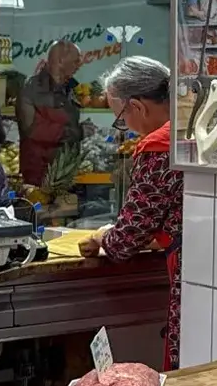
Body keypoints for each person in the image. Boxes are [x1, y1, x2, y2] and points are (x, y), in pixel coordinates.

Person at [79, 57, 184, 367]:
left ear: (138, 107)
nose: (125, 126)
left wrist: (102, 239)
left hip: (189, 265)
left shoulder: (159, 147)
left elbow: (128, 237)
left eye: (120, 117)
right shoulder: (192, 130)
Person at [16, 39, 83, 186]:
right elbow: (34, 129)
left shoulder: (68, 88)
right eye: (76, 61)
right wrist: (77, 132)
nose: (80, 65)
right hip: (39, 174)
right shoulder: (34, 88)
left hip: (63, 172)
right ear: (60, 61)